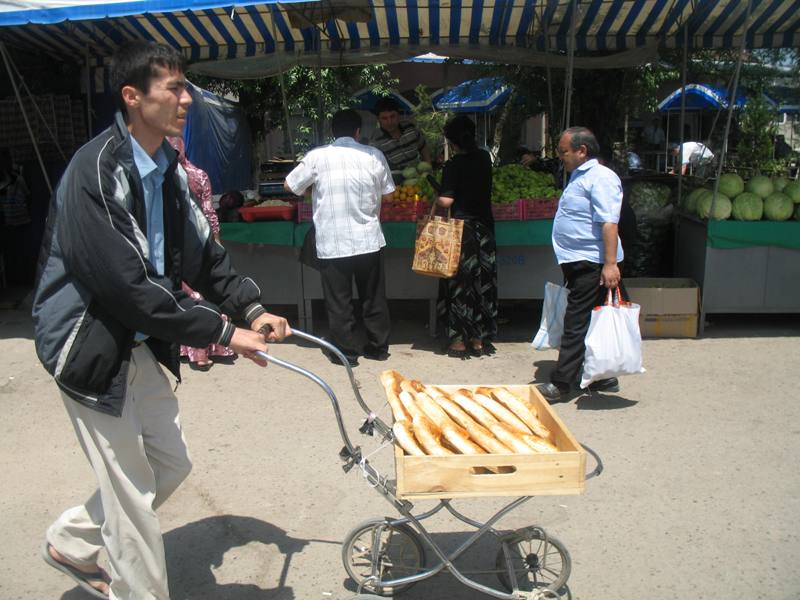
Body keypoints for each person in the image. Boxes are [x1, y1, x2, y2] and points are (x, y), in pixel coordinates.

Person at [32, 41, 290, 600]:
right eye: (173, 88)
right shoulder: (95, 171)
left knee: (170, 466)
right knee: (130, 495)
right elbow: (128, 286)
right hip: (90, 344)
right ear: (132, 97)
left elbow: (204, 254)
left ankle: (70, 541)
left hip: (141, 343)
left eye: (185, 87)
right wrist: (225, 332)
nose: (187, 99)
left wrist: (252, 308)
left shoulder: (168, 168)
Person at [284, 109, 394, 366]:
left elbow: (289, 185)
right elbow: (388, 194)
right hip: (368, 238)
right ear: (358, 132)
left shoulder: (317, 157)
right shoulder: (374, 155)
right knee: (372, 295)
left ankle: (346, 352)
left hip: (333, 242)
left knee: (339, 300)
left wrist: (315, 187)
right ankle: (378, 347)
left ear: (332, 133)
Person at [536, 126, 625, 404]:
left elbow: (609, 222)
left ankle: (562, 384)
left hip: (593, 263)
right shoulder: (580, 175)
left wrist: (609, 264)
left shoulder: (602, 178)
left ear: (581, 150)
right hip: (578, 261)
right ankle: (602, 375)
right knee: (593, 320)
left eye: (563, 152)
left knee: (576, 321)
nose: (561, 156)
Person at [167, 136, 236, 370]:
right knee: (205, 292)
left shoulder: (160, 176)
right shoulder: (198, 174)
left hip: (173, 245)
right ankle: (212, 346)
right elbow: (208, 213)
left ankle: (194, 350)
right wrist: (216, 243)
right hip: (199, 242)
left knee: (187, 296)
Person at [436, 115, 498, 358]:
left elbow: (446, 200)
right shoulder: (484, 158)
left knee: (461, 285)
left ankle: (459, 342)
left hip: (461, 232)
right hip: (484, 229)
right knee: (482, 283)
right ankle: (479, 339)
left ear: (452, 142)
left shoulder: (453, 166)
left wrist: (437, 197)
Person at [370, 97, 431, 172]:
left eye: (392, 116)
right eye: (384, 118)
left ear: (398, 115)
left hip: (419, 177)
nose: (389, 122)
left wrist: (429, 168)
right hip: (395, 181)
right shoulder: (375, 141)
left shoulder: (410, 128)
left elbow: (423, 147)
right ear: (378, 119)